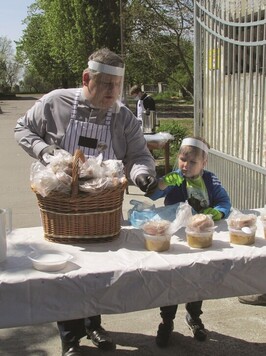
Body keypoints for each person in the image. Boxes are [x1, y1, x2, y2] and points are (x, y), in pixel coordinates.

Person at [14, 48, 157, 356]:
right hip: (62, 209)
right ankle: (70, 338)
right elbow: (22, 128)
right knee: (66, 272)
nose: (112, 92)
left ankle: (94, 324)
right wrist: (44, 151)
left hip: (102, 209)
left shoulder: (124, 118)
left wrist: (143, 174)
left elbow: (139, 156)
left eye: (117, 85)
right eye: (105, 84)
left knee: (98, 271)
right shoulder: (56, 102)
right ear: (86, 78)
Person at [147, 136, 231, 348]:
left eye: (193, 162)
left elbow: (224, 201)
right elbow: (154, 194)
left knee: (197, 278)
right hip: (175, 241)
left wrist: (218, 212)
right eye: (183, 159)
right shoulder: (176, 179)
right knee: (172, 280)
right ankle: (167, 321)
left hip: (199, 238)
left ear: (204, 163)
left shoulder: (211, 181)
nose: (186, 165)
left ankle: (194, 316)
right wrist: (164, 182)